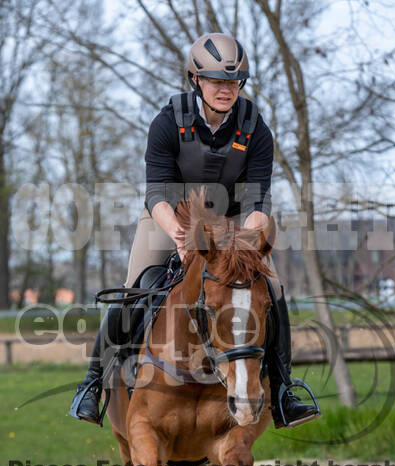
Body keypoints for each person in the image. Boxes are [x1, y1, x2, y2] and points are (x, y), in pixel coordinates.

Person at [69, 33, 319, 429]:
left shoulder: (257, 129)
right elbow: (157, 194)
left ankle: (285, 390)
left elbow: (258, 203)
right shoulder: (167, 122)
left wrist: (250, 245)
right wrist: (184, 240)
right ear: (196, 80)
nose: (226, 89)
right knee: (136, 286)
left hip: (233, 223)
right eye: (217, 81)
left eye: (233, 82)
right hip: (168, 217)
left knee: (272, 289)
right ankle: (91, 384)